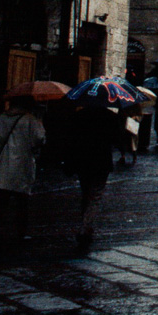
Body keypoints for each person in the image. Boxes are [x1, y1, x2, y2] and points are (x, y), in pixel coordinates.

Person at [63, 104, 120, 250]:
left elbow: (70, 138)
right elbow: (116, 138)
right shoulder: (110, 117)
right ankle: (86, 227)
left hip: (83, 161)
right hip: (101, 161)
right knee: (95, 196)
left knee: (86, 193)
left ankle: (85, 224)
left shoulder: (78, 116)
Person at [0, 97, 46, 241]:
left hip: (4, 164)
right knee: (22, 201)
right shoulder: (30, 119)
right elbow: (39, 138)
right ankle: (21, 231)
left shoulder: (3, 118)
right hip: (23, 163)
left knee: (1, 200)